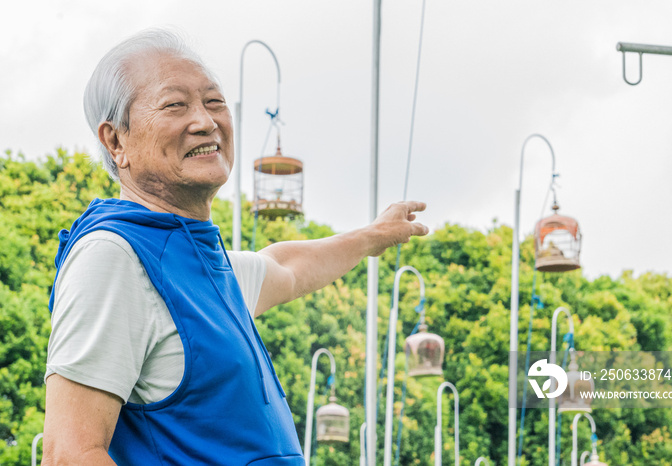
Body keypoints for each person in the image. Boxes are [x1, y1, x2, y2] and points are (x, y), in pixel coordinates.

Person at [42, 29, 428, 466]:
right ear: (116, 141)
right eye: (175, 105)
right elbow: (68, 454)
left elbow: (287, 266)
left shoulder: (202, 263)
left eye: (214, 101)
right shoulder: (114, 257)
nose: (205, 121)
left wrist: (372, 236)